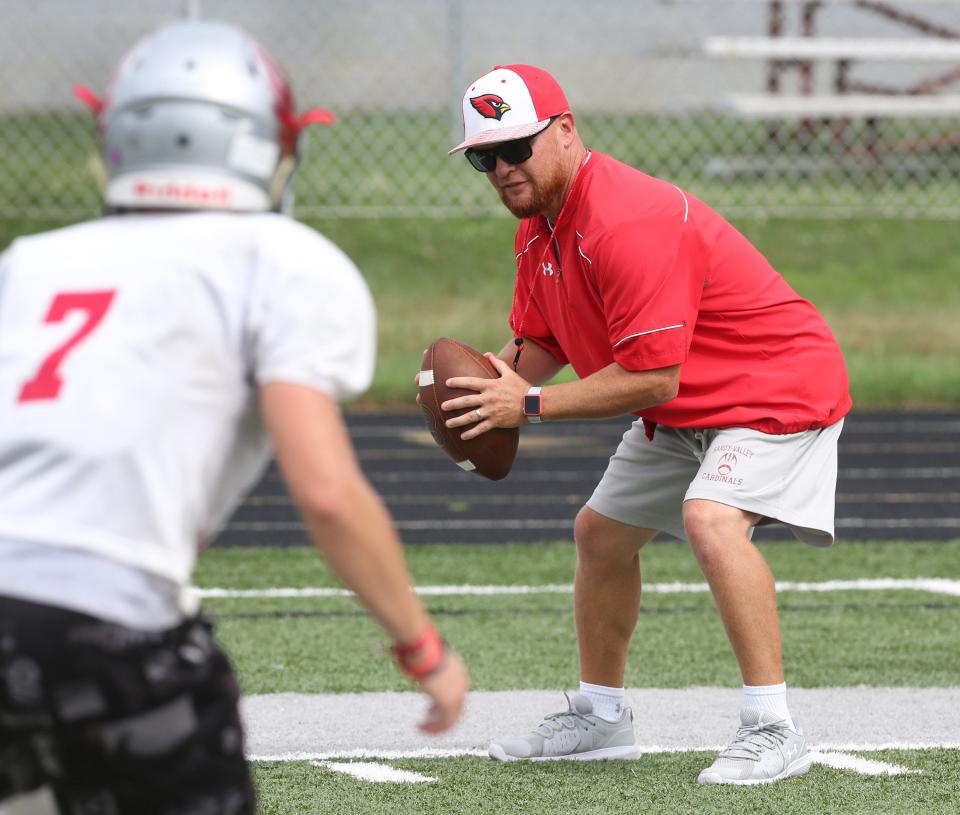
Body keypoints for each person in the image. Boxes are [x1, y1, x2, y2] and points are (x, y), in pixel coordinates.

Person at [0, 20, 468, 815]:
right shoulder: (280, 260)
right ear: (264, 145)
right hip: (111, 626)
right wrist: (422, 647)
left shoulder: (31, 262)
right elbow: (323, 488)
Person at [441, 64, 850, 784]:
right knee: (600, 535)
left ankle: (774, 725)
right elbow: (542, 343)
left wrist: (525, 407)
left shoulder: (627, 219)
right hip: (686, 402)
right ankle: (601, 718)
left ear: (565, 132)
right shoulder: (539, 228)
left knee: (711, 519)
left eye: (517, 148)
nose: (502, 169)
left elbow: (654, 375)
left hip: (773, 386)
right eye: (485, 156)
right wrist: (483, 398)